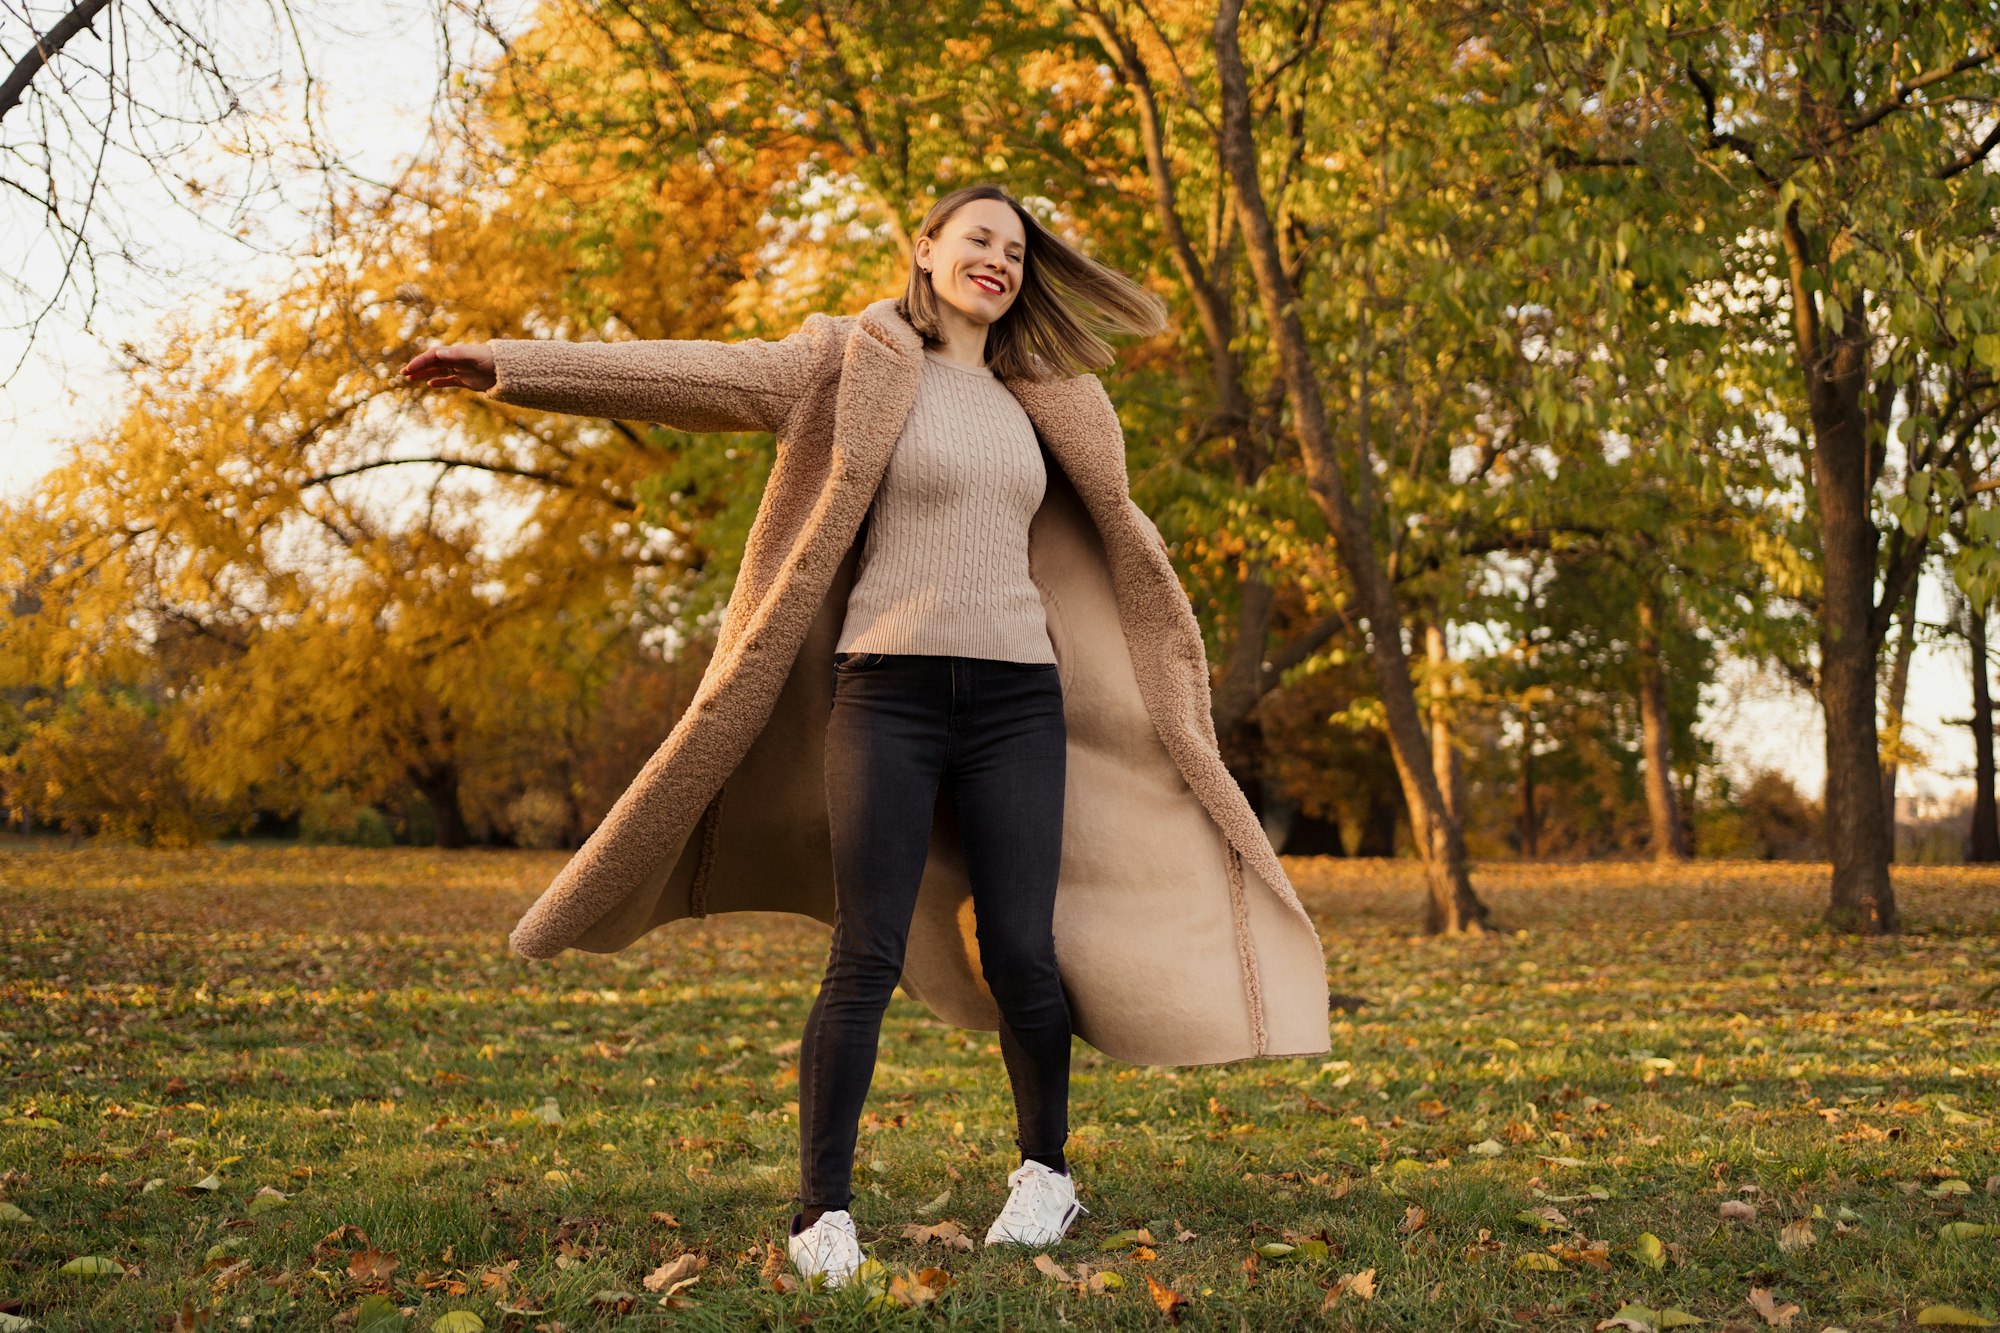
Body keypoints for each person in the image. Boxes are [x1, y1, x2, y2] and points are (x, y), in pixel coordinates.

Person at [401, 184, 1175, 1289]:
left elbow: (1113, 550)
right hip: (885, 693)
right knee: (863, 951)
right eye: (977, 241)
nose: (995, 263)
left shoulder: (1052, 400)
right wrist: (513, 364)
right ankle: (822, 1213)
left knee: (1020, 952)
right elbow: (696, 375)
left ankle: (1046, 1171)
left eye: (1013, 251)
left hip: (1018, 704)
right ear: (926, 249)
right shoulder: (853, 358)